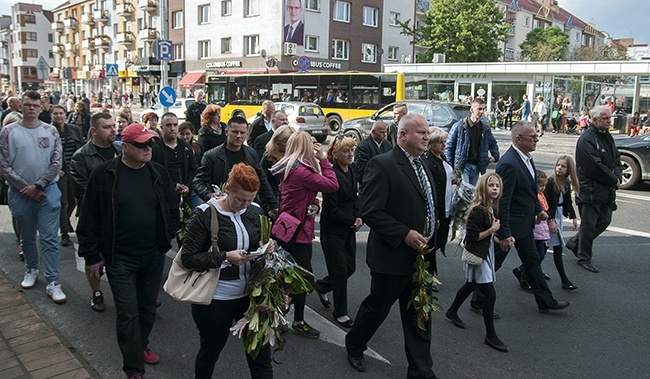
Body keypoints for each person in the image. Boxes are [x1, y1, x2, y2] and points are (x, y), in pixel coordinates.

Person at [77, 123, 179, 379]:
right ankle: (133, 369)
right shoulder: (104, 174)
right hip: (119, 257)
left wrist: (168, 235)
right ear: (125, 147)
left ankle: (140, 344)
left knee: (147, 310)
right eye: (142, 144)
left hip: (153, 255)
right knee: (127, 314)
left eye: (150, 144)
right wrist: (91, 256)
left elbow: (171, 208)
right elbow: (88, 217)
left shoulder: (158, 172)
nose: (148, 149)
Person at [345, 114, 438, 376]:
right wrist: (404, 233)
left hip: (421, 259)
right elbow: (371, 211)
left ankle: (421, 371)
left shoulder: (424, 164)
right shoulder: (383, 164)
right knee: (377, 308)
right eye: (420, 132)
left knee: (420, 315)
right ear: (403, 135)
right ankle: (354, 343)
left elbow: (426, 202)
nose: (426, 137)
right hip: (391, 256)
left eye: (427, 132)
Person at [181, 163, 273, 379]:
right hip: (216, 299)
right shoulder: (204, 213)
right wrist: (224, 257)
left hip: (251, 298)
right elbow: (188, 258)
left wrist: (268, 247)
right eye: (241, 199)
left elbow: (261, 243)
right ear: (228, 188)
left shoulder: (255, 211)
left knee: (260, 356)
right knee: (211, 351)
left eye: (251, 199)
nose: (246, 205)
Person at [472, 121, 571, 314]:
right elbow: (502, 201)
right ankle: (477, 301)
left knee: (533, 262)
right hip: (510, 227)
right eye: (532, 136)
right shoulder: (509, 163)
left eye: (536, 136)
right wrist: (504, 232)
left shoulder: (526, 158)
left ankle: (545, 301)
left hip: (524, 225)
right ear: (519, 139)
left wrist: (539, 211)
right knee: (493, 265)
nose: (536, 139)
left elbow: (529, 192)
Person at [270, 131, 339, 338]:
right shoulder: (301, 171)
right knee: (303, 278)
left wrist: (315, 206)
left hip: (292, 228)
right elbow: (332, 185)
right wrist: (324, 160)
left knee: (295, 276)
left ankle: (292, 316)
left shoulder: (290, 167)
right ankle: (285, 308)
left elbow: (307, 195)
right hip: (297, 232)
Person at [0, 90, 66, 303]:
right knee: (26, 236)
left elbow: (57, 163)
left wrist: (38, 185)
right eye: (27, 104)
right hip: (20, 194)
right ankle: (31, 269)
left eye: (35, 105)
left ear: (41, 107)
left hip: (48, 192)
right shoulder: (9, 131)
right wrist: (25, 188)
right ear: (21, 106)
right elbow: (4, 164)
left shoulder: (50, 131)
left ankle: (53, 281)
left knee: (49, 238)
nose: (31, 108)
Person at [445, 173, 508, 353]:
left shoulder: (489, 207)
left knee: (471, 285)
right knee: (490, 294)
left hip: (484, 253)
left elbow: (485, 235)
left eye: (497, 186)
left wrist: (499, 240)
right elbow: (472, 237)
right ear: (483, 188)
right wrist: (492, 230)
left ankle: (452, 310)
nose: (495, 189)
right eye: (491, 186)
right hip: (478, 255)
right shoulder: (479, 210)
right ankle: (490, 335)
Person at [70, 112, 121, 312]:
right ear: (94, 131)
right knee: (94, 258)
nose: (113, 130)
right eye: (107, 127)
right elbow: (82, 191)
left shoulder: (119, 149)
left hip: (119, 216)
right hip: (95, 217)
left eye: (113, 125)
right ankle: (97, 292)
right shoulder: (82, 157)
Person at [565, 106, 622, 273]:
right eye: (605, 118)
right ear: (595, 120)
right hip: (590, 189)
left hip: (605, 189)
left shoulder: (607, 137)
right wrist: (612, 180)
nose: (608, 121)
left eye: (609, 118)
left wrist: (616, 177)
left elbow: (616, 159)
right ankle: (584, 257)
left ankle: (575, 243)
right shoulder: (587, 139)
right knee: (589, 225)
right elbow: (594, 167)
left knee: (604, 220)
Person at [314, 136, 362, 328]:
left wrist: (359, 216)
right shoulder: (331, 174)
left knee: (350, 267)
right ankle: (340, 312)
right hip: (333, 229)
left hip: (350, 226)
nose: (350, 154)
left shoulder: (353, 170)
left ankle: (322, 286)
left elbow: (357, 196)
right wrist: (352, 220)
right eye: (346, 151)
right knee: (340, 272)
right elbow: (331, 210)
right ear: (334, 154)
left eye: (352, 150)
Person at [192, 116, 278, 217]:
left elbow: (262, 179)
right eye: (234, 132)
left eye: (242, 133)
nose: (238, 136)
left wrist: (273, 205)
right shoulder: (211, 156)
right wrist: (210, 195)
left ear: (247, 134)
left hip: (247, 208)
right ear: (226, 132)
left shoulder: (251, 153)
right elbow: (198, 181)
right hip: (222, 208)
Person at [151, 113, 199, 236]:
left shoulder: (185, 146)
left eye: (175, 125)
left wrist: (187, 186)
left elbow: (194, 169)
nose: (172, 128)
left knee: (186, 235)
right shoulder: (155, 148)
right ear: (161, 127)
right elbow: (152, 172)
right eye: (168, 125)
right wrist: (171, 186)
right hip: (163, 200)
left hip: (184, 199)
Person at [423, 127, 455, 291]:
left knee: (438, 241)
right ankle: (429, 275)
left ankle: (430, 272)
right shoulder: (429, 162)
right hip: (438, 210)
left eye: (444, 142)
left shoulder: (442, 157)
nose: (444, 145)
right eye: (440, 142)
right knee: (432, 243)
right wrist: (434, 214)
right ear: (431, 144)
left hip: (446, 208)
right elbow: (432, 189)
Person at [445, 98, 500, 186]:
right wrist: (450, 168)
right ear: (471, 110)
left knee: (472, 193)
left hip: (476, 166)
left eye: (483, 109)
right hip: (463, 166)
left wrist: (495, 156)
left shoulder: (484, 128)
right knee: (465, 192)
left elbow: (493, 143)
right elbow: (449, 147)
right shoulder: (459, 126)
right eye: (479, 109)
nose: (481, 112)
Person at [51, 105, 83, 247]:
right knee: (63, 201)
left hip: (74, 169)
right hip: (60, 172)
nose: (58, 116)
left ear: (65, 114)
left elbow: (81, 148)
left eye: (61, 113)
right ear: (51, 115)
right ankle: (64, 233)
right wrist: (57, 168)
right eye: (55, 114)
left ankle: (66, 220)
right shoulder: (49, 131)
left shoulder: (73, 129)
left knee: (74, 200)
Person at [545, 155, 579, 290]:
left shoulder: (566, 183)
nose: (559, 168)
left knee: (543, 249)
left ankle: (522, 271)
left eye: (563, 166)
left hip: (557, 215)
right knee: (555, 248)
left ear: (569, 169)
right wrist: (550, 220)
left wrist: (573, 217)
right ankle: (564, 280)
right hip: (550, 217)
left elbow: (567, 201)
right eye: (558, 165)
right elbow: (545, 203)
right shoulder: (551, 182)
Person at [260, 124, 296, 204]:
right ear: (277, 142)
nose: (289, 147)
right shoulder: (268, 156)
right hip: (274, 199)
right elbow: (262, 179)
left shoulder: (297, 156)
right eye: (285, 143)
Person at [353, 120, 392, 187]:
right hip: (370, 185)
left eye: (385, 132)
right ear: (373, 132)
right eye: (381, 132)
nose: (384, 135)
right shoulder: (363, 146)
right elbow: (362, 169)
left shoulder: (387, 145)